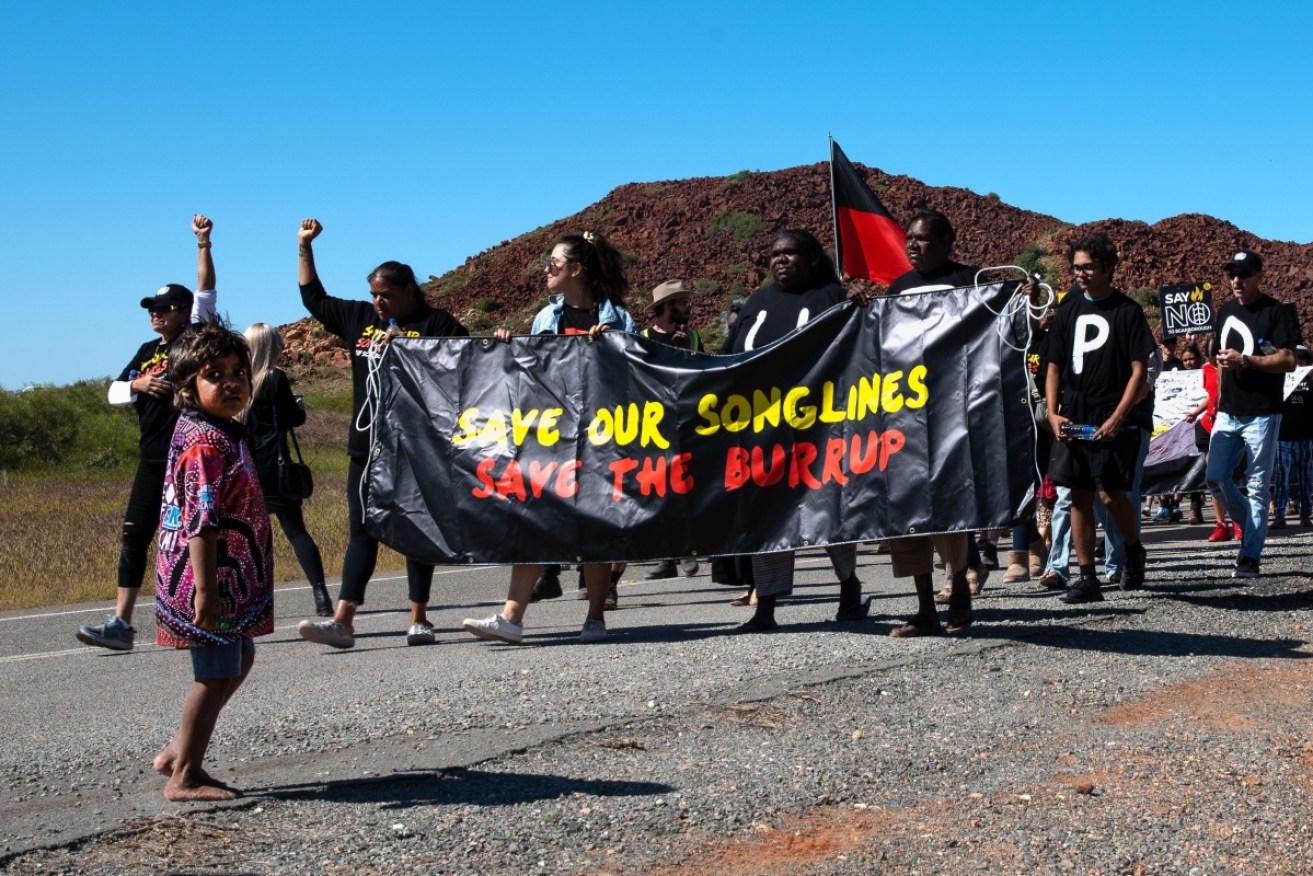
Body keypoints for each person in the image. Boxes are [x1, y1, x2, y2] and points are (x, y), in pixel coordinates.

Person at [293, 219, 468, 649]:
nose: (378, 301)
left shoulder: (437, 324)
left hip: (415, 446)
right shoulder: (359, 318)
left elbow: (469, 368)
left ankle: (419, 618)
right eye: (373, 293)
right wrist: (304, 246)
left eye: (386, 294)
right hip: (366, 445)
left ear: (410, 290)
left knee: (414, 527)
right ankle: (343, 620)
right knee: (362, 528)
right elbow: (313, 298)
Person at [462, 231, 637, 645]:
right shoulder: (546, 318)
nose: (546, 270)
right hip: (552, 435)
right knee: (534, 517)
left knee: (596, 526)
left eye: (554, 264)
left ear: (576, 270)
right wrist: (508, 346)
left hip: (602, 435)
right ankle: (511, 617)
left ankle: (595, 617)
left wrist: (610, 346)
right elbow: (530, 372)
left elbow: (635, 372)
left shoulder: (617, 317)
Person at [848, 210, 1005, 634]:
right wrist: (862, 308)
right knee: (907, 513)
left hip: (955, 413)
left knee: (952, 511)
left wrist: (1019, 296)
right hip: (904, 416)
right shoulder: (898, 289)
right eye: (909, 240)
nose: (912, 247)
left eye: (922, 240)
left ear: (947, 241)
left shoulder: (972, 282)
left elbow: (997, 332)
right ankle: (924, 609)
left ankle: (958, 594)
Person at [76, 215, 219, 651]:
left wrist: (202, 243)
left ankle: (205, 611)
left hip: (188, 455)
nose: (155, 314)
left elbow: (207, 290)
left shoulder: (194, 338)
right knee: (135, 533)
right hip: (152, 455)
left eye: (163, 308)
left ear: (183, 312)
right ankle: (121, 623)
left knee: (195, 532)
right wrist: (136, 384)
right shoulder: (144, 352)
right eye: (151, 310)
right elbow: (113, 391)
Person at [151, 320, 273, 801]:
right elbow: (201, 522)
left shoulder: (220, 431)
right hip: (207, 577)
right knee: (214, 670)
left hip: (226, 577)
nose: (230, 383)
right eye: (214, 374)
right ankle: (186, 777)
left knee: (239, 657)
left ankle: (176, 753)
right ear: (187, 386)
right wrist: (206, 592)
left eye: (238, 372)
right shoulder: (204, 443)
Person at [725, 229, 868, 634]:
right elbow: (729, 356)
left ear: (811, 259)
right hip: (760, 430)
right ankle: (765, 607)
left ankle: (849, 587)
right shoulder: (757, 302)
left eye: (791, 253)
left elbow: (857, 350)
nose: (781, 260)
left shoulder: (829, 297)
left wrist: (858, 306)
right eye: (775, 254)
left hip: (817, 430)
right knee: (766, 516)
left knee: (827, 508)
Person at [1045, 232, 1154, 603]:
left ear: (1108, 267)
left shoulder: (1128, 311)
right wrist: (1052, 412)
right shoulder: (1067, 311)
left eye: (1089, 267)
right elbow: (1054, 366)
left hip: (1111, 410)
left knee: (1110, 495)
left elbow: (1140, 371)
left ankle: (1133, 548)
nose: (1081, 274)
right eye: (1076, 268)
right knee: (1078, 494)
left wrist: (1119, 417)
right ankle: (1087, 578)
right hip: (1074, 411)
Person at [1206, 250, 1300, 577]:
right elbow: (1219, 358)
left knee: (1258, 484)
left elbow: (1289, 360)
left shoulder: (1277, 312)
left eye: (1243, 274)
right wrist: (1217, 395)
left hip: (1262, 411)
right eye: (1232, 274)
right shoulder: (1226, 311)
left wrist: (1246, 361)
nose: (1236, 281)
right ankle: (1249, 523)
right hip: (1229, 411)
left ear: (1260, 275)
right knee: (1215, 477)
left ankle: (1250, 555)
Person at [241, 323, 331, 616]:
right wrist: (299, 407)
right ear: (271, 346)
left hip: (245, 468)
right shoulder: (274, 377)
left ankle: (247, 600)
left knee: (248, 538)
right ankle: (321, 594)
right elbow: (293, 418)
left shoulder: (241, 380)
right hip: (276, 466)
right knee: (295, 531)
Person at [641, 279, 703, 581]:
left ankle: (687, 550)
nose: (687, 309)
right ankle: (666, 557)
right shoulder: (642, 338)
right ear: (666, 307)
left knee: (687, 489)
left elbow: (705, 374)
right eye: (682, 304)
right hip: (655, 425)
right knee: (660, 491)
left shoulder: (692, 338)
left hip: (687, 421)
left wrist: (685, 355)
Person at [1272, 345, 1313, 528]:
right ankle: (1279, 515)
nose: (1300, 360)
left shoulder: (1310, 379)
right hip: (1284, 434)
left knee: (1307, 476)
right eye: (1296, 357)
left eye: (1303, 357)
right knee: (1282, 476)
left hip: (1306, 434)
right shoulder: (1280, 377)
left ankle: (1306, 514)